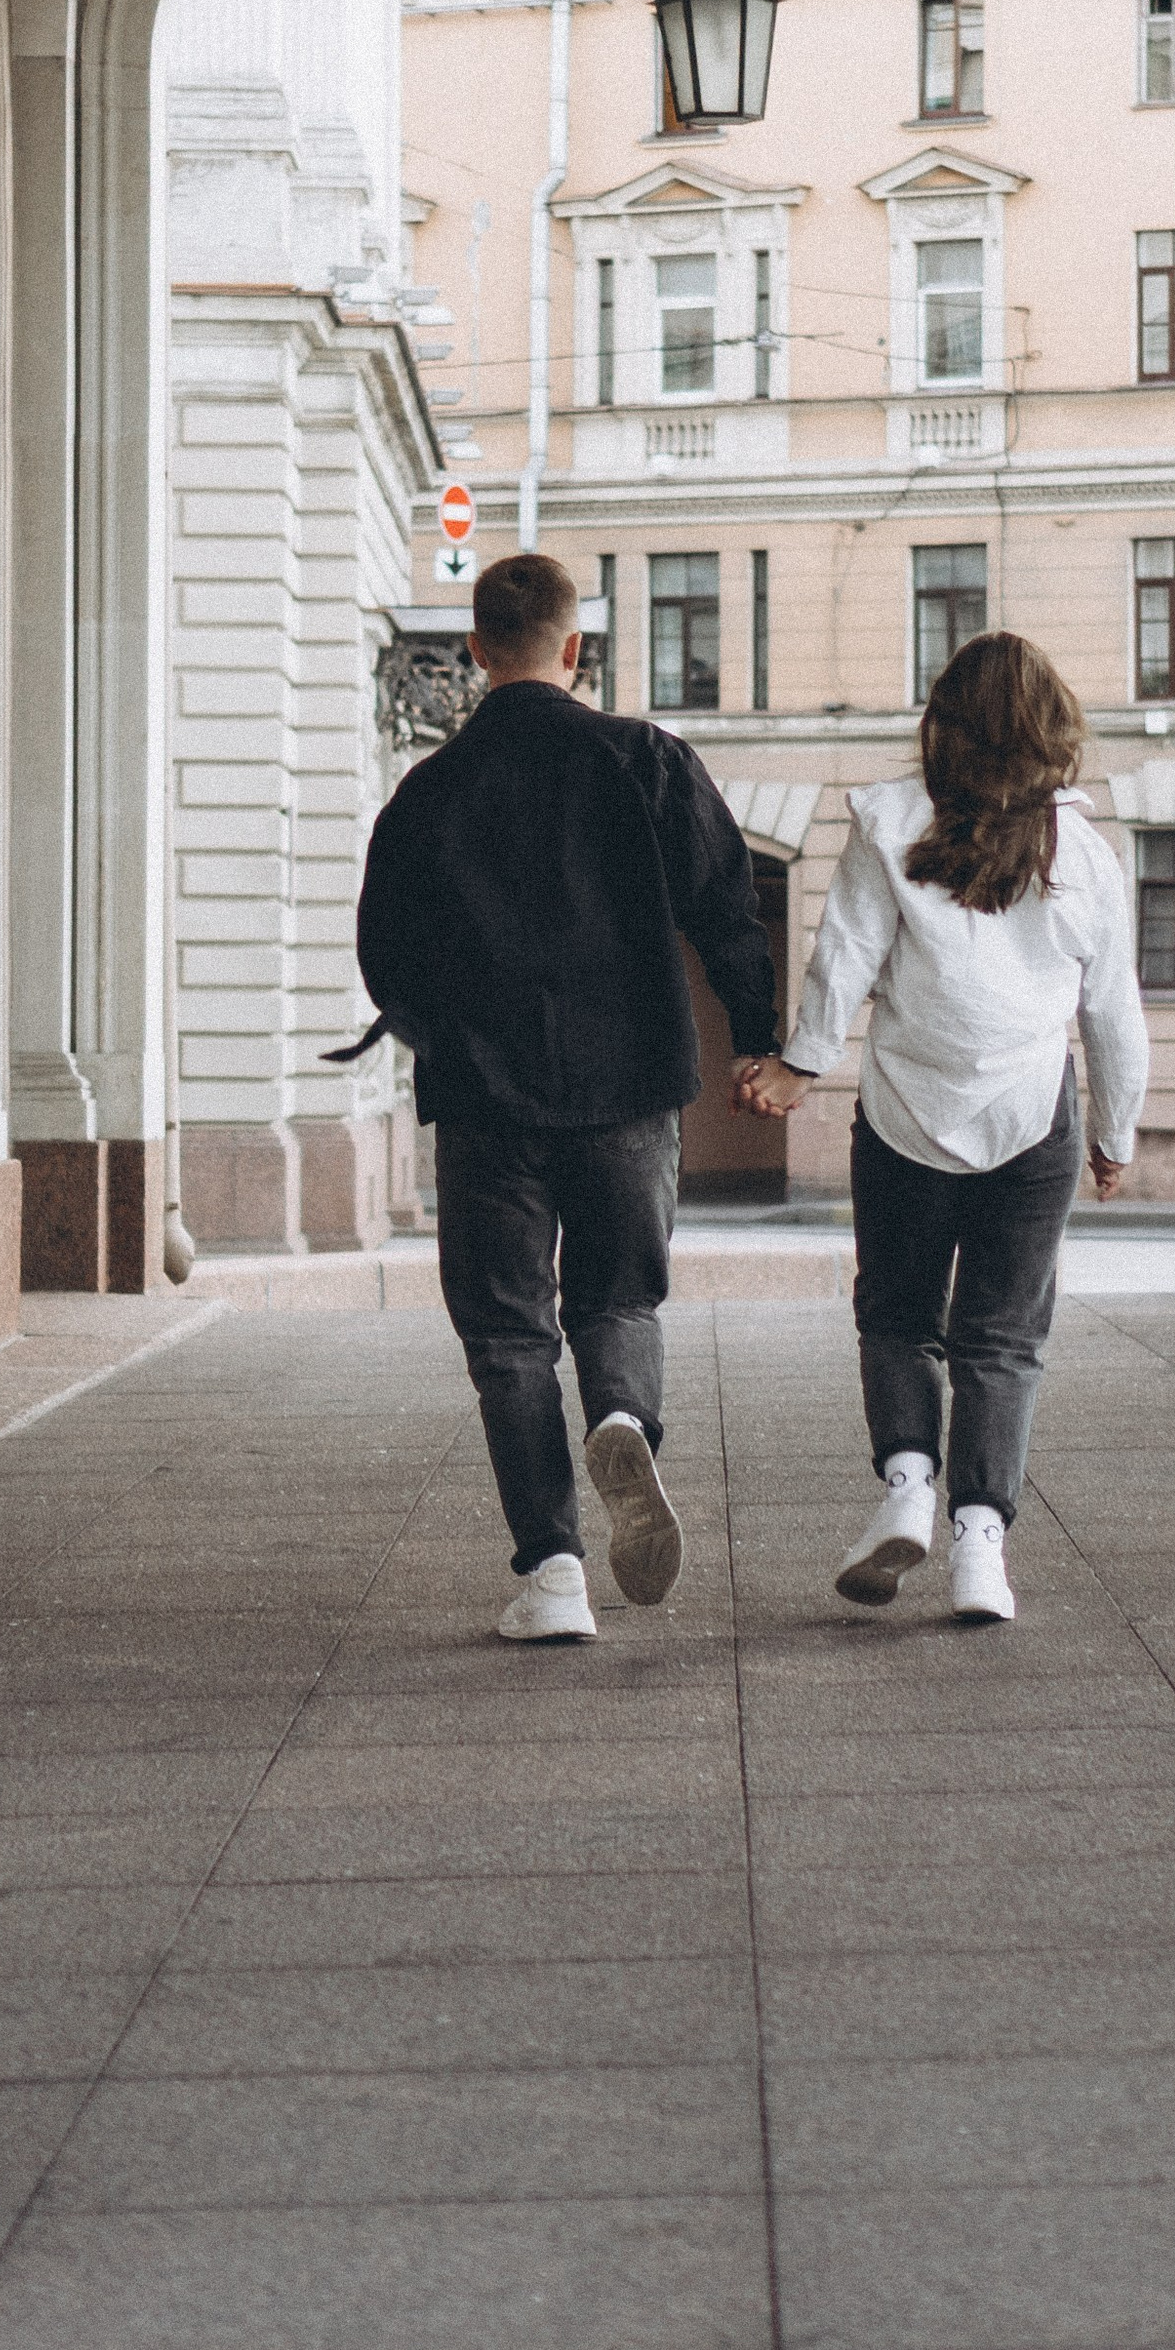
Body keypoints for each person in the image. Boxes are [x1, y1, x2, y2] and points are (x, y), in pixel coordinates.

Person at [357, 547, 778, 1642]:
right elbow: (727, 908)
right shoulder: (646, 759)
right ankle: (626, 1416)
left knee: (507, 1337)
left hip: (488, 1096)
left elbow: (384, 950)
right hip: (630, 1083)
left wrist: (435, 1032)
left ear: (479, 652)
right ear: (576, 649)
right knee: (617, 1299)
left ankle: (551, 1573)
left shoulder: (429, 789)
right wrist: (760, 1042)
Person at [739, 631, 1146, 1625]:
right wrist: (1115, 1136)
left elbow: (844, 953)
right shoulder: (1084, 857)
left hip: (903, 1111)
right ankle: (980, 1551)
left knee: (896, 1312)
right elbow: (1113, 1015)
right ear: (1051, 729)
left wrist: (802, 1064)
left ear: (942, 724)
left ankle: (909, 1486)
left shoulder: (886, 823)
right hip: (1031, 1111)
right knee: (1002, 1338)